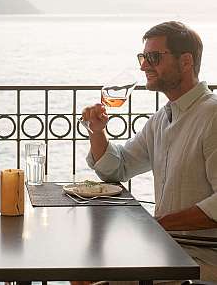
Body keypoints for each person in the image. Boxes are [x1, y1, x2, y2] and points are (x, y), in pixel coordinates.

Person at [82, 21, 217, 282]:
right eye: (143, 57)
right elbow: (117, 167)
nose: (144, 65)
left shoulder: (212, 116)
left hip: (201, 258)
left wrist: (159, 225)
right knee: (82, 266)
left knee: (89, 273)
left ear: (186, 62)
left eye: (154, 57)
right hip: (167, 247)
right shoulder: (162, 118)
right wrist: (97, 132)